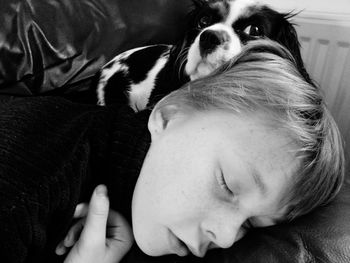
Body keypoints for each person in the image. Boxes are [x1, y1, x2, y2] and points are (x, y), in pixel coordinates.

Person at [0, 40, 344, 263]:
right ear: (167, 115)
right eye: (227, 184)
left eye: (251, 224)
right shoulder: (29, 181)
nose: (225, 238)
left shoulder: (140, 195)